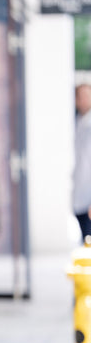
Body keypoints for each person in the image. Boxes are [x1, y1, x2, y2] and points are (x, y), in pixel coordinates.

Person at [73, 82, 91, 241]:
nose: (84, 100)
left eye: (87, 95)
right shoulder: (77, 122)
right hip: (79, 196)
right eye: (80, 96)